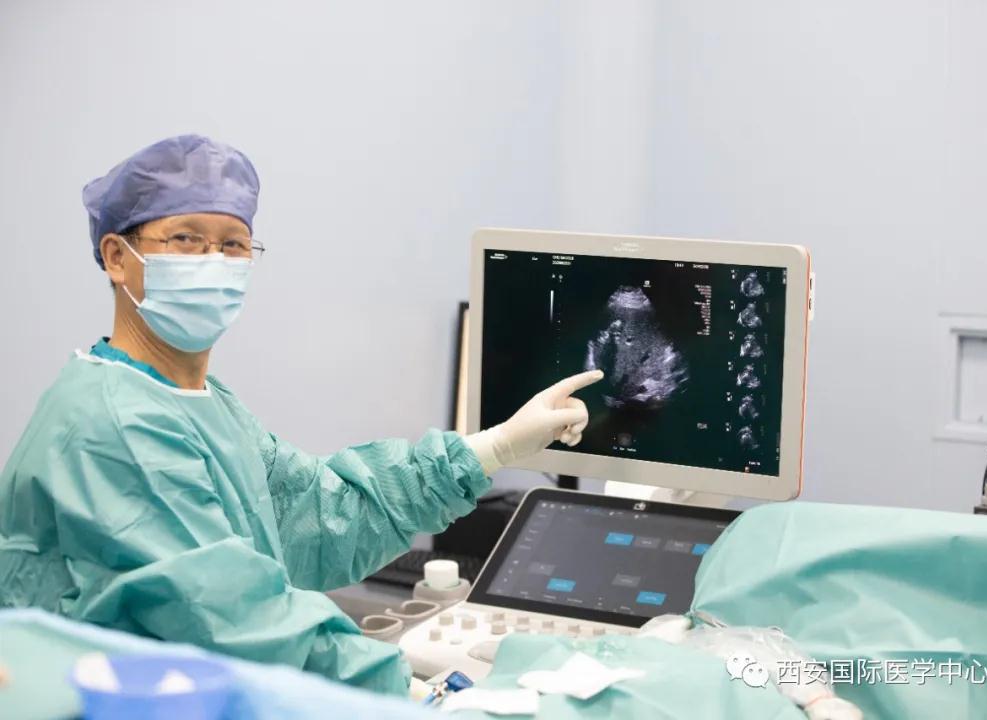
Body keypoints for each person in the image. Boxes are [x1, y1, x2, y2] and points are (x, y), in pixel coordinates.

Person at [0, 135, 601, 694]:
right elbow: (237, 621)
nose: (214, 260)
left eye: (233, 244)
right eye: (185, 238)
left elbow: (320, 514)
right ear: (116, 256)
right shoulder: (116, 425)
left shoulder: (196, 403)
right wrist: (408, 692)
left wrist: (494, 446)